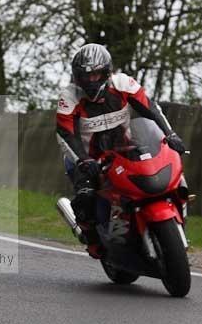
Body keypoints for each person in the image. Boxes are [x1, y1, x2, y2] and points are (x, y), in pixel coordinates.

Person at [55, 43, 187, 258]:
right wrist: (82, 160)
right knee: (86, 197)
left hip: (123, 148)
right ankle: (92, 240)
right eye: (86, 76)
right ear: (77, 76)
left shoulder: (123, 83)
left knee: (168, 172)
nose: (92, 80)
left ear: (107, 72)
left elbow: (151, 109)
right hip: (85, 156)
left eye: (97, 74)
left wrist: (170, 135)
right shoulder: (69, 97)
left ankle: (167, 218)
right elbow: (65, 133)